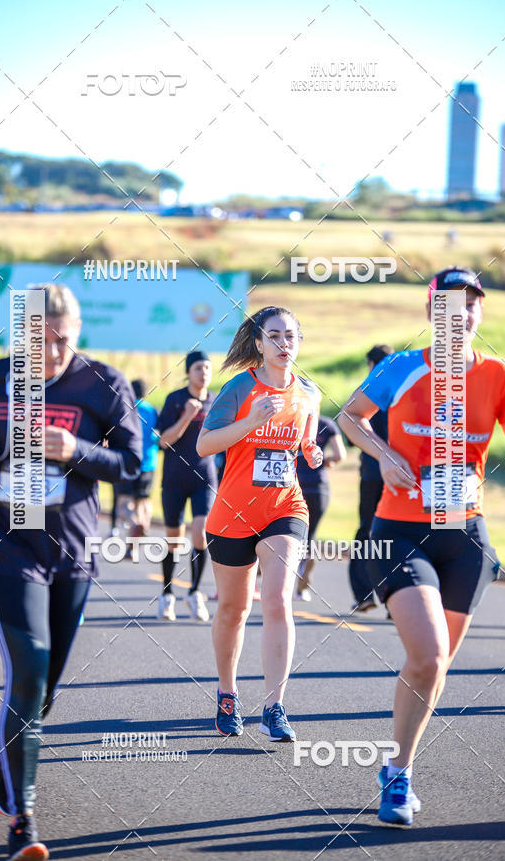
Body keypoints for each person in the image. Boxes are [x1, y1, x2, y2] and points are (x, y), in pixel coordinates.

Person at [338, 267, 505, 826]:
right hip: (400, 530)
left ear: (480, 314)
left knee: (435, 666)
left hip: (466, 534)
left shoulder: (498, 375)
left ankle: (395, 764)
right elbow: (349, 417)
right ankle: (400, 776)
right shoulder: (402, 367)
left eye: (472, 303)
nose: (463, 312)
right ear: (432, 313)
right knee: (426, 656)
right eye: (451, 303)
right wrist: (380, 452)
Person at [0, 284, 142, 861]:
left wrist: (77, 448)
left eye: (63, 338)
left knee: (44, 692)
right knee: (29, 669)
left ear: (78, 331)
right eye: (41, 339)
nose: (54, 351)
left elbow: (134, 466)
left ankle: (7, 745)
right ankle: (24, 821)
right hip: (7, 546)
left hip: (72, 551)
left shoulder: (102, 383)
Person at [197, 306, 323, 741]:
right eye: (274, 336)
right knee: (234, 610)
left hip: (284, 508)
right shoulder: (238, 388)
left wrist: (311, 452)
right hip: (232, 513)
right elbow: (205, 444)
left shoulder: (308, 392)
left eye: (291, 336)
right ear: (258, 343)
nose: (283, 344)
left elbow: (303, 440)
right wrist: (251, 421)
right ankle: (228, 694)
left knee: (277, 600)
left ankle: (275, 707)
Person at [157, 351, 216, 622]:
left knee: (201, 534)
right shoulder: (176, 399)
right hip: (175, 478)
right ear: (189, 372)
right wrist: (186, 417)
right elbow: (163, 441)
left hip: (205, 477)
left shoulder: (216, 401)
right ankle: (167, 594)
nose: (203, 372)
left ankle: (194, 593)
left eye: (207, 367)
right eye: (198, 368)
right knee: (173, 539)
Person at [349, 344, 393, 613]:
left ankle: (364, 593)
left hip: (371, 473)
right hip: (399, 475)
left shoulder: (366, 391)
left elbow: (350, 435)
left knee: (366, 530)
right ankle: (395, 600)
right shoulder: (402, 390)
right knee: (395, 533)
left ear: (370, 365)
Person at [295, 414, 346, 600]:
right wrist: (326, 460)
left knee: (286, 533)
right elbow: (340, 455)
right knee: (310, 535)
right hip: (318, 486)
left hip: (294, 484)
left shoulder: (293, 418)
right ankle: (303, 587)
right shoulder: (327, 423)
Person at [111, 378, 159, 543]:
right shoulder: (152, 410)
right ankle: (142, 527)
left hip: (128, 461)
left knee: (123, 503)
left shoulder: (125, 409)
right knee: (143, 500)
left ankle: (134, 523)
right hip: (148, 462)